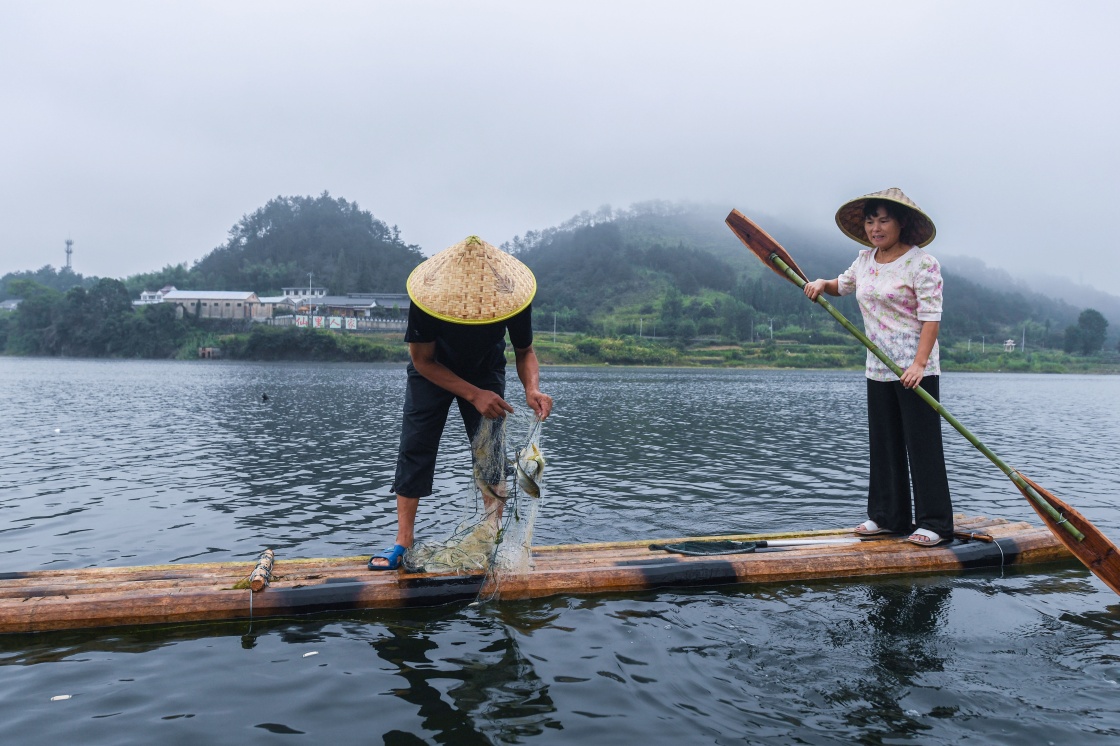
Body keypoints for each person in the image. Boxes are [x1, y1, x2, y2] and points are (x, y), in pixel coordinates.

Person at [369, 236, 554, 570]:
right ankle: (402, 541)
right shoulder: (428, 299)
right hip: (433, 369)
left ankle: (490, 535)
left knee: (490, 452)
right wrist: (473, 394)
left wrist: (532, 389)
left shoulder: (512, 295)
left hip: (485, 368)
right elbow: (422, 361)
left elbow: (525, 351)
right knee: (416, 445)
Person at [803, 188, 953, 547]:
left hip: (915, 370)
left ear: (901, 223)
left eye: (883, 219)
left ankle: (935, 523)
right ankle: (888, 517)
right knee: (884, 443)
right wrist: (823, 284)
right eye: (870, 221)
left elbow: (931, 317)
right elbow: (844, 285)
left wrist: (918, 364)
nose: (875, 227)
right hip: (878, 368)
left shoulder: (922, 264)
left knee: (922, 445)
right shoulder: (865, 259)